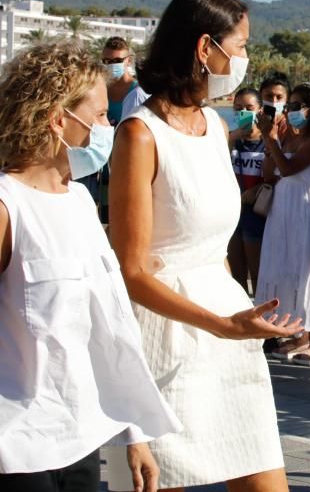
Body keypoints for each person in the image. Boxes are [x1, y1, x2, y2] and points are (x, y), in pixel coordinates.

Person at [106, 0, 303, 491]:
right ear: (204, 49)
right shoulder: (139, 134)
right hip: (164, 337)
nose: (245, 59)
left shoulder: (215, 127)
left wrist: (237, 320)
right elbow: (130, 271)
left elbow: (214, 246)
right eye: (239, 47)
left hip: (228, 330)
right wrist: (218, 324)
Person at [0, 43, 180, 492]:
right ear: (58, 119)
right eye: (100, 115)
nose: (109, 127)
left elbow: (108, 327)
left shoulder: (80, 200)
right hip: (17, 448)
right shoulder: (9, 205)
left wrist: (133, 436)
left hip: (79, 441)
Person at [255, 83, 310, 365]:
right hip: (284, 208)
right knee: (287, 269)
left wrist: (272, 141)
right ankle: (299, 333)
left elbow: (290, 169)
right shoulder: (287, 137)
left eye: (295, 105)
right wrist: (271, 141)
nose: (289, 111)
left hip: (309, 207)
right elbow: (272, 174)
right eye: (288, 106)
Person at [77, 37, 141, 223]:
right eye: (106, 61)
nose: (111, 65)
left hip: (123, 167)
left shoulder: (138, 93)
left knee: (119, 220)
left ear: (128, 60)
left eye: (116, 61)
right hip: (95, 168)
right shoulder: (98, 90)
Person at [228, 87, 267, 295]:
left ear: (259, 110)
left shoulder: (268, 143)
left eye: (249, 108)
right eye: (238, 108)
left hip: (257, 215)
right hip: (234, 216)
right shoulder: (230, 140)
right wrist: (232, 137)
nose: (243, 112)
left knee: (259, 276)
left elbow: (274, 177)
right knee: (236, 279)